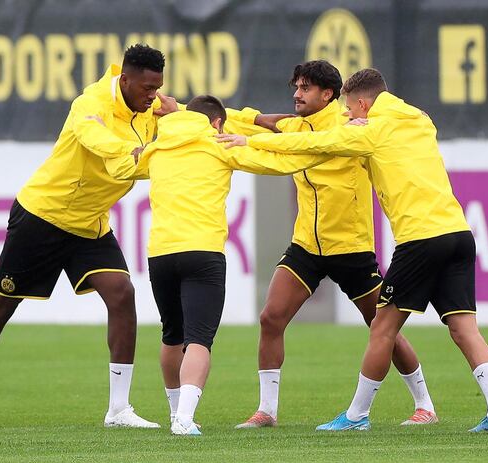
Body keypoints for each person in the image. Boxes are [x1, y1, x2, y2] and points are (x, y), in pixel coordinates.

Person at [218, 68, 488, 432]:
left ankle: (362, 415)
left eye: (349, 107)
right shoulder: (419, 118)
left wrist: (251, 144)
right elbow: (281, 128)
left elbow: (317, 146)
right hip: (456, 233)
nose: (347, 114)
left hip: (401, 241)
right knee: (464, 328)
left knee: (383, 328)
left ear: (358, 102)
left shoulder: (369, 131)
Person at [0, 44, 177, 428]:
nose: (153, 95)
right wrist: (140, 152)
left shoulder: (150, 108)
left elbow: (199, 119)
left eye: (158, 88)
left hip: (89, 224)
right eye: (147, 88)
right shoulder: (88, 103)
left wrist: (250, 124)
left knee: (122, 294)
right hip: (43, 216)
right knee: (3, 303)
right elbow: (101, 143)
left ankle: (118, 410)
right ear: (125, 80)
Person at [230, 61, 437, 429]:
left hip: (351, 248)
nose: (296, 94)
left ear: (328, 95)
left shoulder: (353, 126)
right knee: (270, 317)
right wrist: (184, 112)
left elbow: (398, 121)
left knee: (382, 327)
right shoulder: (294, 126)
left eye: (305, 88)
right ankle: (267, 411)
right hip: (306, 246)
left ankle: (424, 404)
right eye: (296, 86)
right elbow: (248, 120)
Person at [115, 95, 333, 435]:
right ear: (217, 124)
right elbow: (277, 164)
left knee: (172, 336)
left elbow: (121, 166)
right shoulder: (218, 145)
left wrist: (112, 136)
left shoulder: (158, 148)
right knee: (199, 340)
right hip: (202, 253)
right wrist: (329, 145)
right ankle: (184, 419)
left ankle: (176, 413)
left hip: (160, 255)